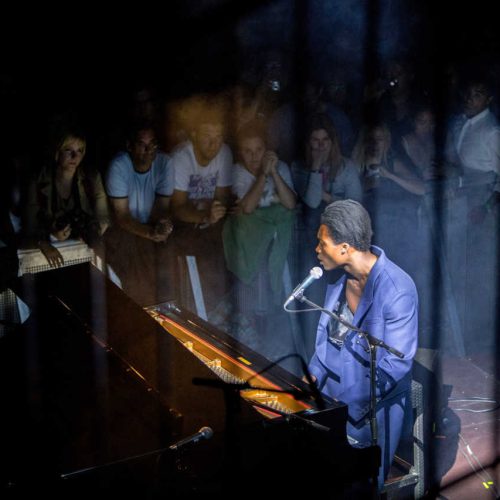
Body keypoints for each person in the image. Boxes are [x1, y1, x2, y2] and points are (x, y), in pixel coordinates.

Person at [307, 199, 418, 487]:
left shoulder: (397, 289)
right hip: (329, 397)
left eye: (322, 243)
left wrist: (344, 408)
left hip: (368, 408)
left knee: (358, 486)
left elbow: (395, 364)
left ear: (345, 248)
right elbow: (325, 339)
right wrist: (309, 382)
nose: (317, 250)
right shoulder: (335, 279)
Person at [105, 121, 174, 305]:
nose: (148, 150)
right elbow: (122, 217)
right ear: (129, 146)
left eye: (152, 145)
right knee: (134, 267)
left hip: (149, 229)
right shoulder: (119, 166)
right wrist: (150, 234)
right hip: (124, 232)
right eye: (142, 145)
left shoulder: (164, 163)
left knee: (168, 260)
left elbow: (162, 208)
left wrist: (162, 227)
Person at [23, 128, 110, 268]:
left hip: (83, 248)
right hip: (48, 252)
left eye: (80, 151)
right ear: (57, 152)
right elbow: (29, 227)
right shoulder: (38, 181)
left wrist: (89, 234)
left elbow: (103, 216)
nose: (75, 156)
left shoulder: (91, 178)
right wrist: (48, 238)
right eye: (68, 150)